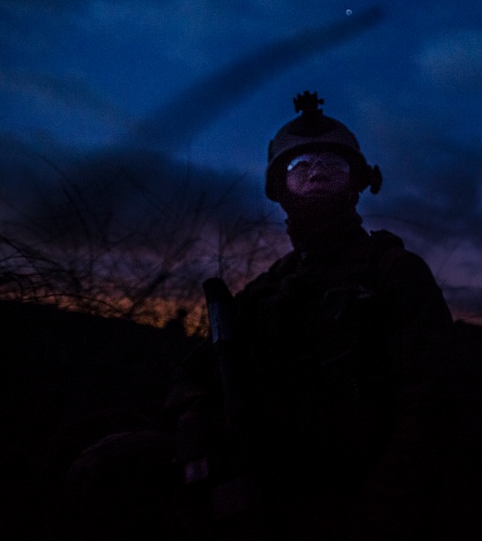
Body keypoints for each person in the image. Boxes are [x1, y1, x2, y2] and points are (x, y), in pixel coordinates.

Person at [167, 91, 457, 539]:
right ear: (280, 192)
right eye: (301, 171)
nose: (317, 177)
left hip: (365, 503)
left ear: (357, 183)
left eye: (332, 169)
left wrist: (377, 515)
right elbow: (194, 375)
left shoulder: (393, 273)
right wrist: (192, 417)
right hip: (276, 495)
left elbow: (432, 403)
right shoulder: (266, 291)